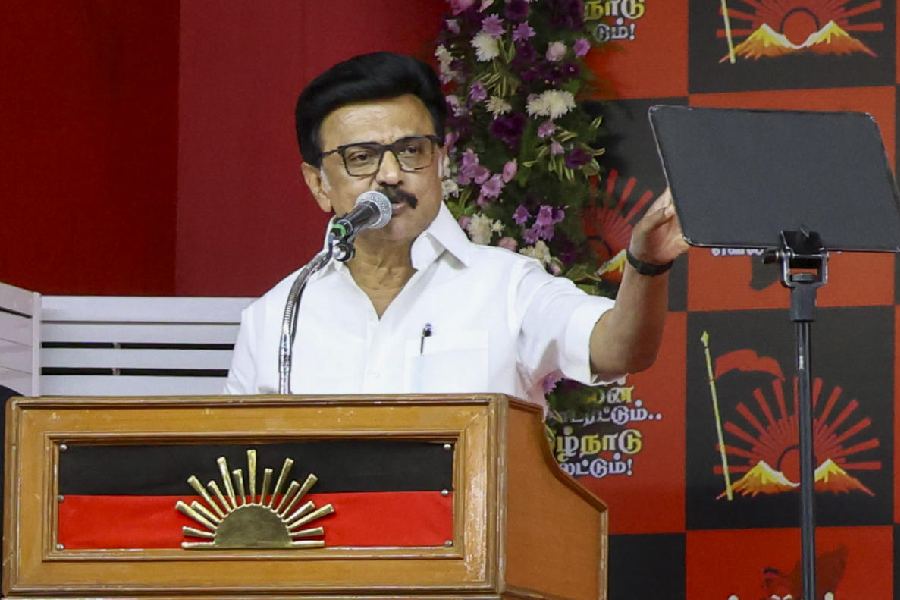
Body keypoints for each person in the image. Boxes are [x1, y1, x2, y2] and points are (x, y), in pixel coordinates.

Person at [224, 52, 688, 408]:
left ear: (441, 161)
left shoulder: (506, 286)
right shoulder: (275, 318)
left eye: (410, 150)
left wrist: (646, 264)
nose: (390, 175)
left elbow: (617, 348)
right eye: (361, 157)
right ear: (318, 184)